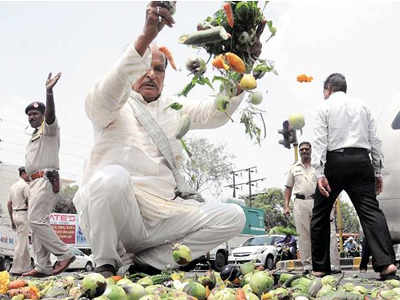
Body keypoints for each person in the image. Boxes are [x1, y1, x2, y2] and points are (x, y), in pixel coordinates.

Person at [73, 1, 264, 277]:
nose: (151, 74)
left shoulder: (175, 108)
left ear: (166, 75)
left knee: (233, 216)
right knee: (111, 178)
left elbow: (216, 113)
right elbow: (106, 93)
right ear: (131, 68)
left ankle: (150, 263)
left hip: (164, 216)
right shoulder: (112, 103)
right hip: (120, 216)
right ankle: (105, 264)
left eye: (159, 69)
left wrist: (243, 64)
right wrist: (147, 37)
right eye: (144, 68)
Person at [310, 73, 397, 278]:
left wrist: (319, 173)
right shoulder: (363, 106)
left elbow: (320, 140)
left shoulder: (324, 107)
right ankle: (386, 264)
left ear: (328, 89)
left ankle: (320, 267)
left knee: (320, 215)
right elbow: (375, 140)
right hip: (361, 160)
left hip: (334, 161)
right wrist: (377, 170)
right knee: (370, 211)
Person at [22, 73, 75, 277]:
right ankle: (42, 265)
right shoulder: (34, 135)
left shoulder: (49, 129)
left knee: (36, 220)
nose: (32, 117)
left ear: (43, 116)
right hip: (34, 183)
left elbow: (51, 116)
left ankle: (64, 253)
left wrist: (49, 92)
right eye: (29, 115)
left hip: (45, 179)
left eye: (36, 114)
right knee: (35, 224)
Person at [284, 141, 341, 274]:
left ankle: (334, 264)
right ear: (300, 152)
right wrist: (286, 206)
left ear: (311, 150)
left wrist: (332, 202)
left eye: (306, 149)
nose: (304, 151)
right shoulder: (294, 168)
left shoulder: (319, 166)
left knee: (329, 232)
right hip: (300, 203)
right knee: (304, 235)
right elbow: (288, 188)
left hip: (319, 202)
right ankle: (308, 265)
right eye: (302, 149)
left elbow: (328, 185)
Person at [7, 167, 32, 275]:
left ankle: (26, 267)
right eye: (28, 173)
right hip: (23, 214)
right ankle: (15, 269)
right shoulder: (25, 186)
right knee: (21, 243)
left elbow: (9, 204)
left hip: (15, 214)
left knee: (24, 241)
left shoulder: (13, 186)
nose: (29, 176)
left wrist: (12, 220)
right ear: (23, 173)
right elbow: (29, 201)